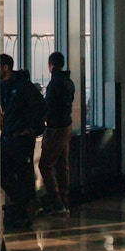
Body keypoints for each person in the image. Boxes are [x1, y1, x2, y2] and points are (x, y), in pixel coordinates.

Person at [0, 53, 46, 229]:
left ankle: (23, 207)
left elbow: (40, 105)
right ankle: (25, 204)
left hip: (21, 138)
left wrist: (32, 128)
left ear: (5, 67)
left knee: (23, 174)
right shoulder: (4, 87)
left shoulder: (22, 86)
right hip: (9, 137)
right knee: (5, 172)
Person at [39, 51, 75, 216]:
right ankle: (64, 202)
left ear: (50, 65)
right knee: (61, 165)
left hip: (56, 128)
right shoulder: (69, 82)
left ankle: (56, 202)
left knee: (45, 165)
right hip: (66, 126)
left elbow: (48, 106)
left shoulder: (55, 83)